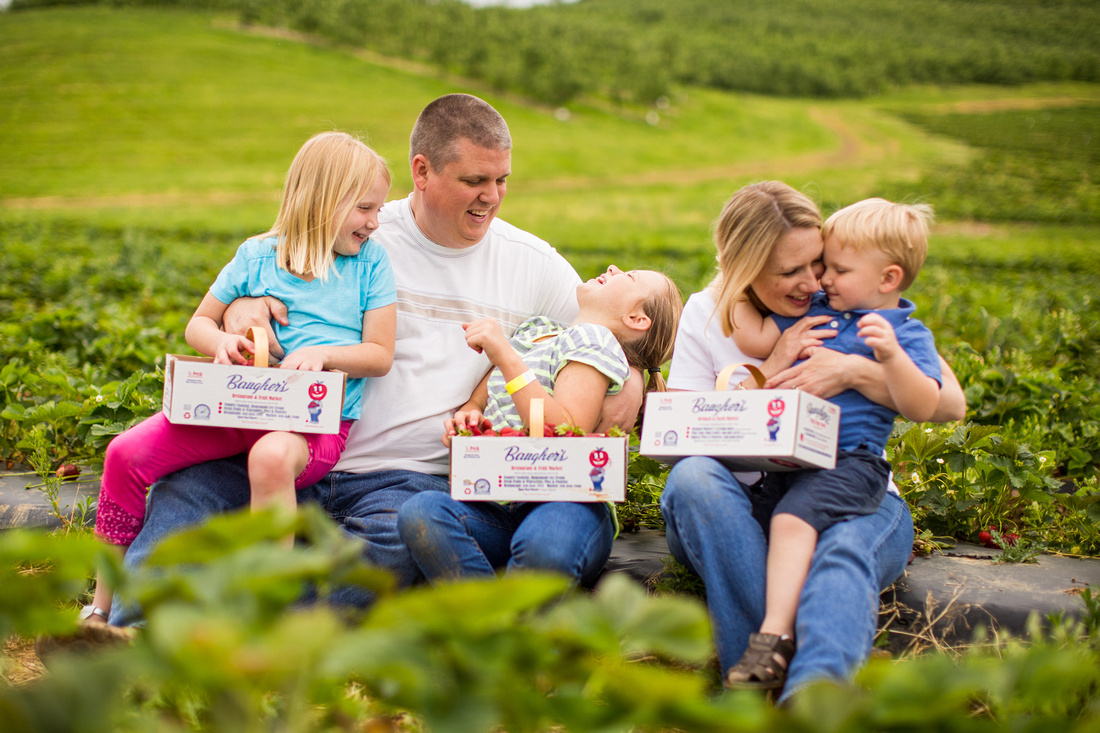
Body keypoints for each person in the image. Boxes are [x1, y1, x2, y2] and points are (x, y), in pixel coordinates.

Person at [108, 94, 643, 625]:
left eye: (501, 180)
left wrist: (637, 380)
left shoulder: (532, 264)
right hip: (289, 446)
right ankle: (129, 625)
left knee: (396, 544)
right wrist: (243, 311)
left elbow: (604, 331)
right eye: (474, 181)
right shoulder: (358, 226)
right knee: (188, 490)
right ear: (423, 170)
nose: (492, 197)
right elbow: (259, 273)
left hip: (407, 480)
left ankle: (234, 621)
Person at [658, 181, 966, 703]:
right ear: (744, 267)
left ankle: (810, 701)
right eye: (790, 272)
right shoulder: (708, 313)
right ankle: (757, 696)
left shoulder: (840, 299)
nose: (811, 282)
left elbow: (949, 403)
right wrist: (772, 367)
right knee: (693, 480)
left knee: (841, 547)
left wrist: (851, 370)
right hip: (740, 508)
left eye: (818, 262)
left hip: (852, 492)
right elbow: (683, 433)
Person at [81, 131, 396, 628]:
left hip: (313, 425)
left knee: (270, 457)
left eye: (377, 210)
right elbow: (197, 325)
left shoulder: (371, 264)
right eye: (364, 208)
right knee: (124, 453)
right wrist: (221, 343)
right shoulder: (255, 255)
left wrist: (323, 353)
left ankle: (261, 609)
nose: (374, 222)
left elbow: (379, 355)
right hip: (237, 406)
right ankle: (101, 610)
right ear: (323, 200)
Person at [721, 198, 944, 692]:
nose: (822, 280)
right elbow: (754, 338)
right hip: (800, 462)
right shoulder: (822, 311)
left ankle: (774, 636)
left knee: (791, 520)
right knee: (781, 519)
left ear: (887, 279)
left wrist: (889, 360)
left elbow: (926, 404)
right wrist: (736, 283)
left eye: (838, 269)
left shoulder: (906, 333)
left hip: (853, 462)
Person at [397, 265, 682, 586]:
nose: (614, 268)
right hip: (499, 504)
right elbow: (487, 394)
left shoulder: (594, 340)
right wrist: (472, 413)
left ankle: (496, 622)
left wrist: (505, 355)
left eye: (628, 277)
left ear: (637, 319)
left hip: (568, 504)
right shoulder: (537, 330)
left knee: (544, 545)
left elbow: (566, 432)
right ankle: (495, 619)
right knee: (421, 511)